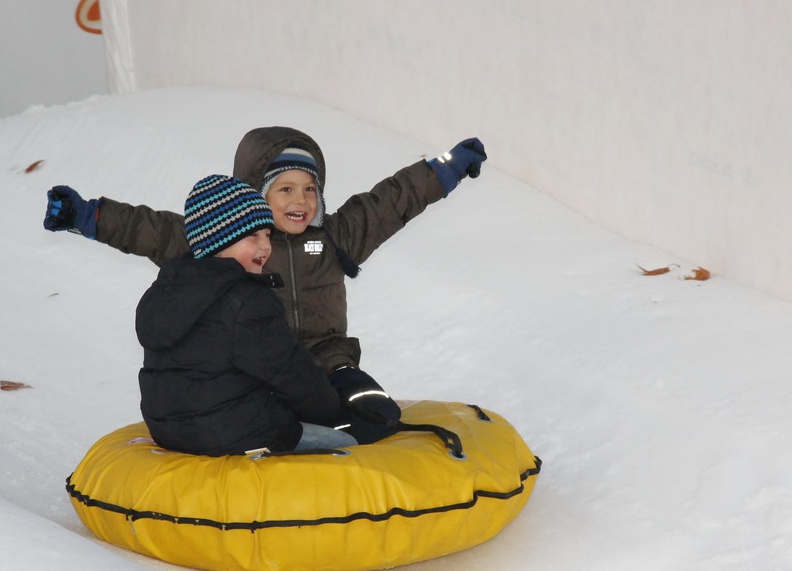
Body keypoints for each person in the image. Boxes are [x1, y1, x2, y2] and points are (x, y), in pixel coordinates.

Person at [45, 126, 486, 433]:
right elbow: (149, 230)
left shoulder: (336, 235)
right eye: (286, 189)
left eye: (310, 189)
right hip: (259, 371)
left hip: (331, 364)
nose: (301, 200)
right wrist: (85, 215)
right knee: (279, 426)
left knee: (375, 415)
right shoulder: (228, 240)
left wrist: (449, 166)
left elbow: (392, 201)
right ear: (255, 196)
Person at [136, 174, 356, 456]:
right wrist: (331, 412)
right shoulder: (246, 300)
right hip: (238, 435)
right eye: (253, 235)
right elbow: (290, 373)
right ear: (218, 239)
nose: (265, 246)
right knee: (348, 446)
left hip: (170, 432)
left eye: (267, 234)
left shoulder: (166, 291)